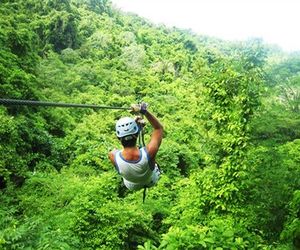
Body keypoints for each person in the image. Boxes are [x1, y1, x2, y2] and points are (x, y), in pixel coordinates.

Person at [108, 103, 163, 191]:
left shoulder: (112, 155)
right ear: (136, 135)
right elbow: (158, 128)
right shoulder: (150, 152)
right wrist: (144, 111)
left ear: (118, 138)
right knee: (151, 161)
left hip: (132, 186)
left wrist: (136, 128)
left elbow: (122, 152)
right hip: (151, 180)